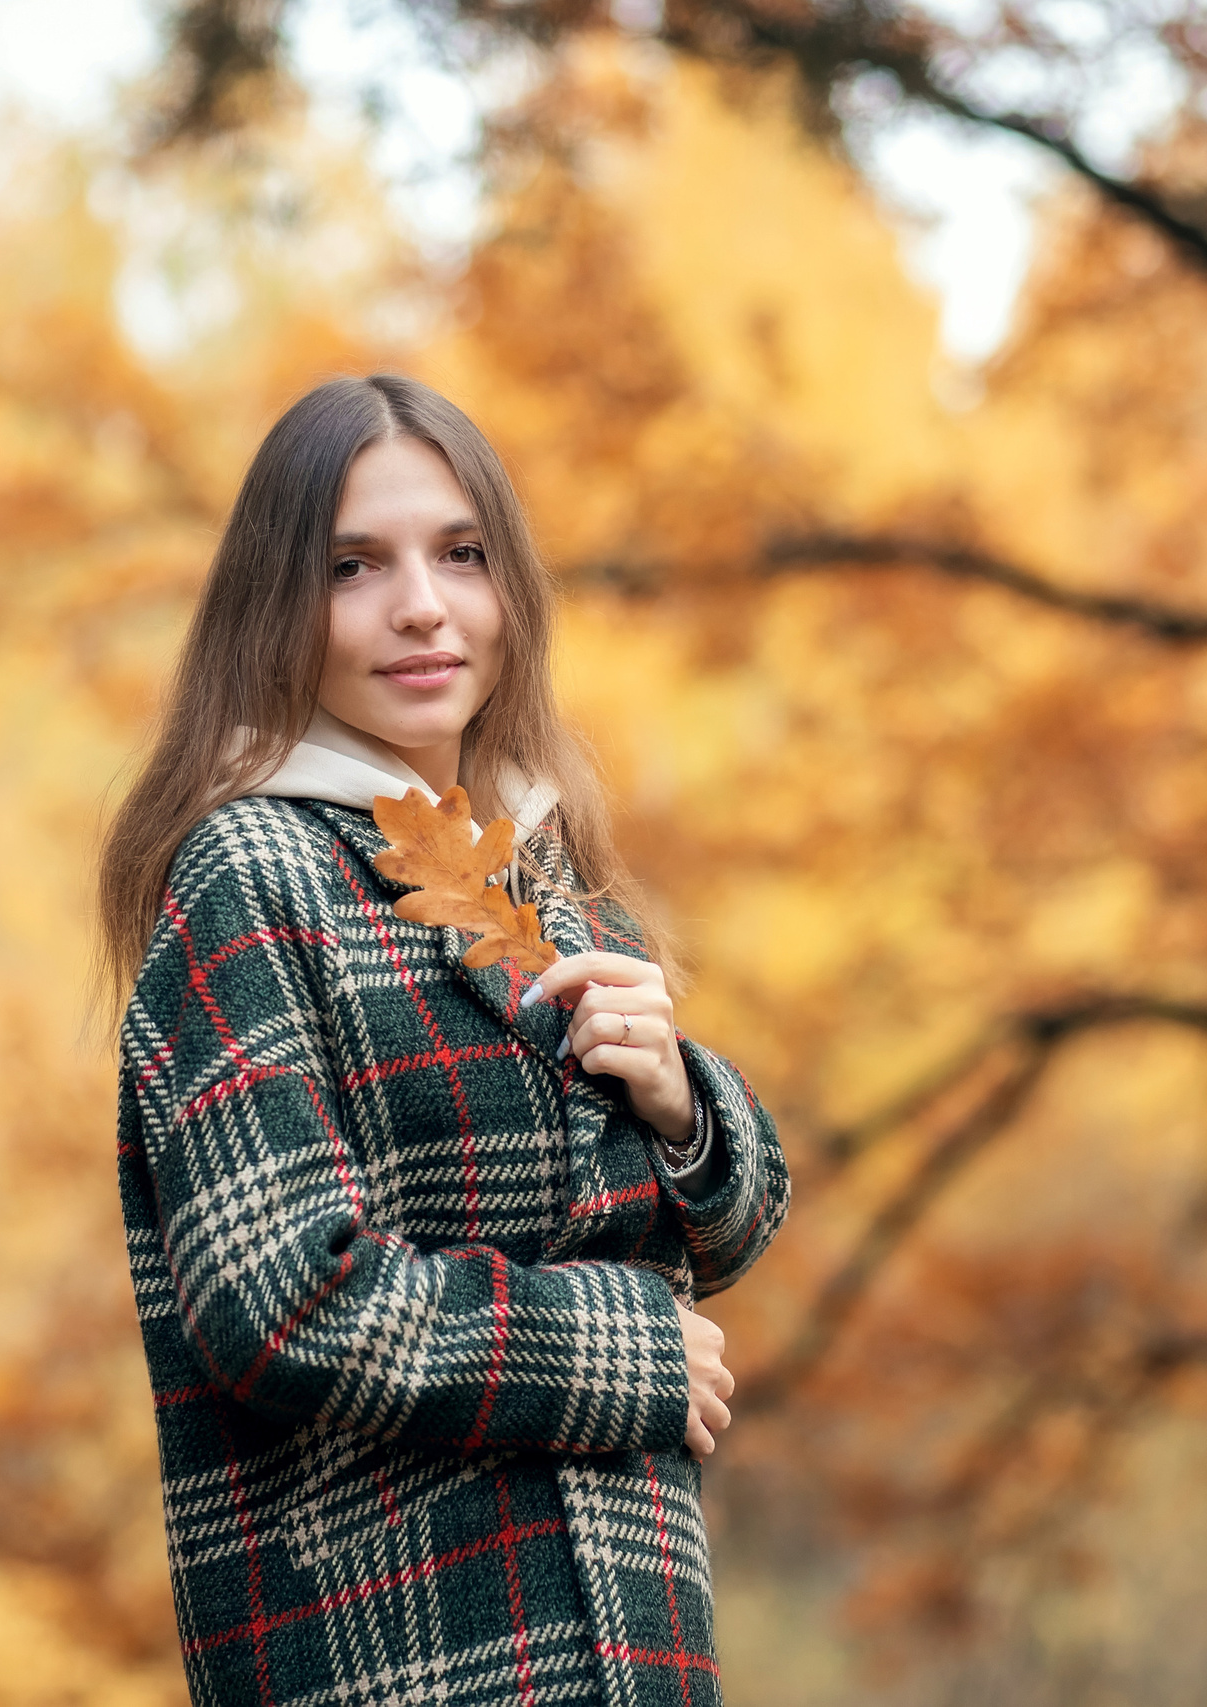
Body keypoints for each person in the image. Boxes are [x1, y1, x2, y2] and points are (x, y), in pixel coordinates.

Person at [99, 373, 790, 1706]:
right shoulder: (252, 873)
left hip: (634, 1655)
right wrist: (625, 1348)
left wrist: (684, 1107)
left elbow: (731, 1225)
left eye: (462, 555)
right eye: (355, 565)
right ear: (274, 608)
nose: (422, 604)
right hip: (403, 1661)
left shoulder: (547, 877)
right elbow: (282, 1300)